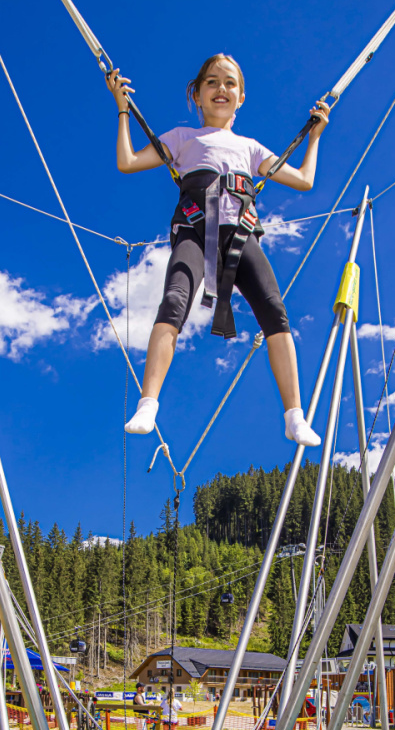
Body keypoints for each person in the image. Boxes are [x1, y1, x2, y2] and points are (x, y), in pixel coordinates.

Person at [106, 53, 330, 447]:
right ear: (196, 94)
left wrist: (314, 136)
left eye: (229, 83)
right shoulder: (182, 138)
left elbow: (304, 180)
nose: (221, 89)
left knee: (274, 310)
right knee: (174, 299)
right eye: (211, 82)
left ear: (241, 97)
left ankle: (294, 415)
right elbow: (127, 161)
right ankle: (148, 403)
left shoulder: (250, 148)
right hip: (195, 229)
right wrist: (123, 110)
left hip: (241, 235)